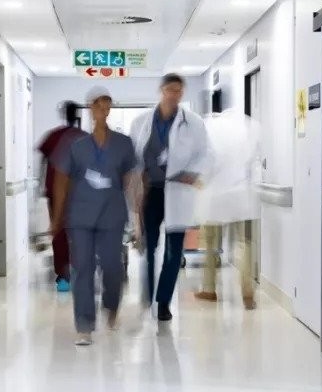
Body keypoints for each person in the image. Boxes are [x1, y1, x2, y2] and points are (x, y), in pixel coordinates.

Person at [51, 87, 137, 346]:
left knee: (112, 267)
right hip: (81, 217)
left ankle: (111, 306)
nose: (102, 109)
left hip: (112, 216)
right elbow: (61, 181)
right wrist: (56, 217)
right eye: (98, 105)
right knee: (83, 269)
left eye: (107, 104)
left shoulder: (123, 144)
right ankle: (84, 325)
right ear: (90, 108)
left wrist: (137, 217)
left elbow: (131, 181)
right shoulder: (76, 146)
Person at [130, 73, 209, 321]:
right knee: (149, 248)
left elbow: (206, 153)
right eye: (170, 90)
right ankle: (147, 296)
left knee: (174, 252)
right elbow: (134, 159)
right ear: (161, 91)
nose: (174, 95)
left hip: (178, 191)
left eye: (179, 91)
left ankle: (163, 301)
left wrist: (193, 174)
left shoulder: (193, 122)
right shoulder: (141, 121)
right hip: (151, 192)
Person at [193, 110, 261, 310]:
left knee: (210, 245)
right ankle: (247, 293)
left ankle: (209, 289)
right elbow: (255, 160)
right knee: (245, 244)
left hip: (214, 196)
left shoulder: (207, 127)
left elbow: (203, 161)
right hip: (242, 195)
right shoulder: (250, 126)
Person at [37, 100, 87, 292]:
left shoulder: (53, 136)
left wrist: (42, 185)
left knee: (59, 232)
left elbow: (43, 161)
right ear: (77, 116)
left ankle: (64, 276)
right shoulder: (83, 137)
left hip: (55, 193)